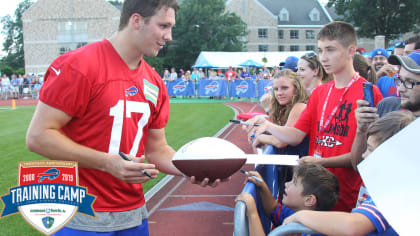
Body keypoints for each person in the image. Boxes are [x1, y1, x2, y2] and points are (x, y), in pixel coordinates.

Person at [26, 1, 222, 235]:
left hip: (133, 214)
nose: (169, 36)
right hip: (81, 216)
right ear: (137, 20)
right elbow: (38, 136)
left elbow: (157, 148)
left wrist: (191, 169)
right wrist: (107, 162)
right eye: (163, 26)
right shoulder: (80, 65)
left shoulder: (154, 82)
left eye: (171, 27)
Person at [244, 21, 383, 212]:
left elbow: (366, 155)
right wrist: (266, 124)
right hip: (312, 193)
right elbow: (296, 135)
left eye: (330, 50)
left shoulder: (369, 93)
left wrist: (322, 162)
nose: (323, 57)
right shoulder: (320, 92)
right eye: (320, 50)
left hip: (347, 195)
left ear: (351, 51)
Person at [282, 110, 416, 236]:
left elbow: (353, 226)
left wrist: (300, 216)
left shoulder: (396, 193)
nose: (364, 155)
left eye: (371, 150)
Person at [235, 163, 339, 236]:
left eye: (294, 182)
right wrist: (262, 186)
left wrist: (252, 212)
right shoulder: (295, 214)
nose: (286, 184)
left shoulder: (313, 232)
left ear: (309, 200)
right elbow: (272, 209)